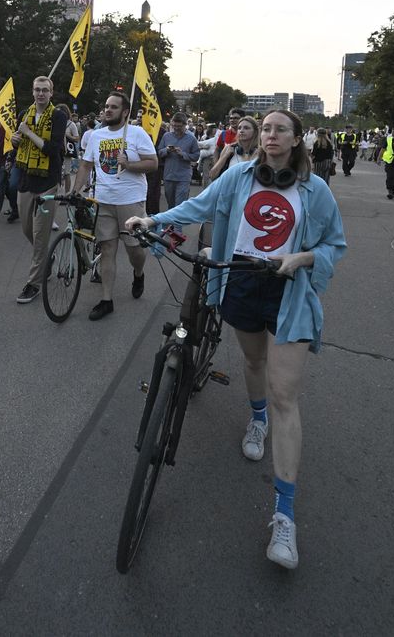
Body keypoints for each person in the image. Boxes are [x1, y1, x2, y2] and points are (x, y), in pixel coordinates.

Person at [126, 109, 346, 570]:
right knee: (252, 365)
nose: (269, 135)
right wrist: (152, 219)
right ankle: (256, 418)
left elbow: (333, 246)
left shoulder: (316, 190)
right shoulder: (240, 175)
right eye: (265, 128)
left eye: (280, 129)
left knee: (285, 394)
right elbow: (200, 205)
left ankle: (284, 516)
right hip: (242, 281)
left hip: (289, 292)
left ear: (297, 138)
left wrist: (302, 258)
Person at [73, 90, 157, 320]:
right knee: (107, 249)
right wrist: (75, 190)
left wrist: (129, 164)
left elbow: (153, 163)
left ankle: (138, 272)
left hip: (130, 200)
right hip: (104, 201)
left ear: (125, 112)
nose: (107, 110)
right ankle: (106, 300)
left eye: (113, 107)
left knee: (134, 250)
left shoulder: (137, 133)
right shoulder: (96, 136)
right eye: (106, 106)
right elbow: (86, 165)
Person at [11, 76, 67, 304]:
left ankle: (34, 283)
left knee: (40, 234)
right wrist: (16, 139)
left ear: (51, 93)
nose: (41, 93)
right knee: (27, 230)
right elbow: (20, 143)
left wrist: (28, 133)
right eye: (37, 90)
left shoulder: (58, 116)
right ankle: (46, 259)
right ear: (32, 92)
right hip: (26, 179)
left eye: (45, 90)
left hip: (47, 183)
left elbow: (53, 149)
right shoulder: (25, 113)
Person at [157, 112, 200, 210]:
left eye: (179, 126)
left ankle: (177, 225)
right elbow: (159, 152)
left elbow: (196, 156)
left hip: (183, 177)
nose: (176, 128)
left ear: (185, 125)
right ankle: (170, 225)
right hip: (169, 176)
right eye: (174, 126)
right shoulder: (166, 136)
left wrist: (183, 154)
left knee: (180, 207)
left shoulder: (191, 138)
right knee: (170, 205)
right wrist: (166, 150)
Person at [209, 116, 259, 182]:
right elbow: (212, 176)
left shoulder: (261, 153)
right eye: (239, 128)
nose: (241, 130)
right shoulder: (229, 148)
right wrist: (224, 157)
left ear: (255, 132)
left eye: (246, 128)